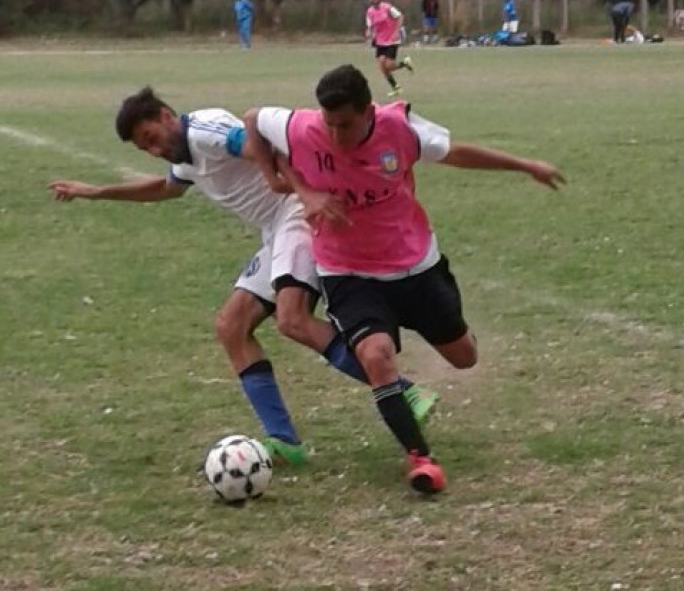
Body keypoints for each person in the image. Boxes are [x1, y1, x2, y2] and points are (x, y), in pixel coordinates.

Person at [48, 88, 437, 465]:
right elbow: (166, 188)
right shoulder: (184, 156)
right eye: (144, 148)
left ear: (167, 116)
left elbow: (265, 146)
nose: (154, 150)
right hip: (276, 231)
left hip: (297, 216)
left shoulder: (205, 130)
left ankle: (403, 393)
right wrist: (95, 192)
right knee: (231, 326)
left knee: (293, 319)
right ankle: (284, 443)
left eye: (151, 138)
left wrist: (304, 191)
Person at [244, 65, 565, 494]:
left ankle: (432, 335)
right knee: (376, 357)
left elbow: (457, 153)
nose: (336, 135)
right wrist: (294, 186)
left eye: (346, 125)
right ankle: (420, 458)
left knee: (464, 356)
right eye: (330, 124)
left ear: (368, 111)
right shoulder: (302, 127)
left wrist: (525, 165)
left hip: (415, 265)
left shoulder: (401, 129)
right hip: (347, 271)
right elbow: (252, 119)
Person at [365, 0, 414, 98]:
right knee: (382, 66)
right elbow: (369, 25)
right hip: (380, 41)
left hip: (392, 40)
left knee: (389, 65)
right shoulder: (370, 12)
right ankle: (395, 87)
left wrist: (396, 31)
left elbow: (400, 16)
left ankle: (405, 64)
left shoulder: (387, 8)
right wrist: (368, 32)